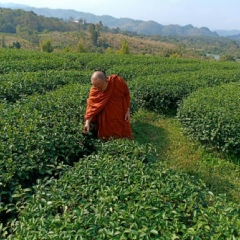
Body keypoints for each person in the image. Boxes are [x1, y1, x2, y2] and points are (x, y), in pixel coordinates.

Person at [83, 71, 133, 140]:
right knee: (106, 137)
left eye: (99, 87)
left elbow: (126, 94)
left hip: (119, 116)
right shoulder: (94, 89)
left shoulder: (117, 82)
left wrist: (127, 110)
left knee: (122, 135)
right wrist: (87, 123)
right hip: (105, 121)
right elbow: (91, 108)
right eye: (95, 86)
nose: (97, 89)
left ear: (106, 80)